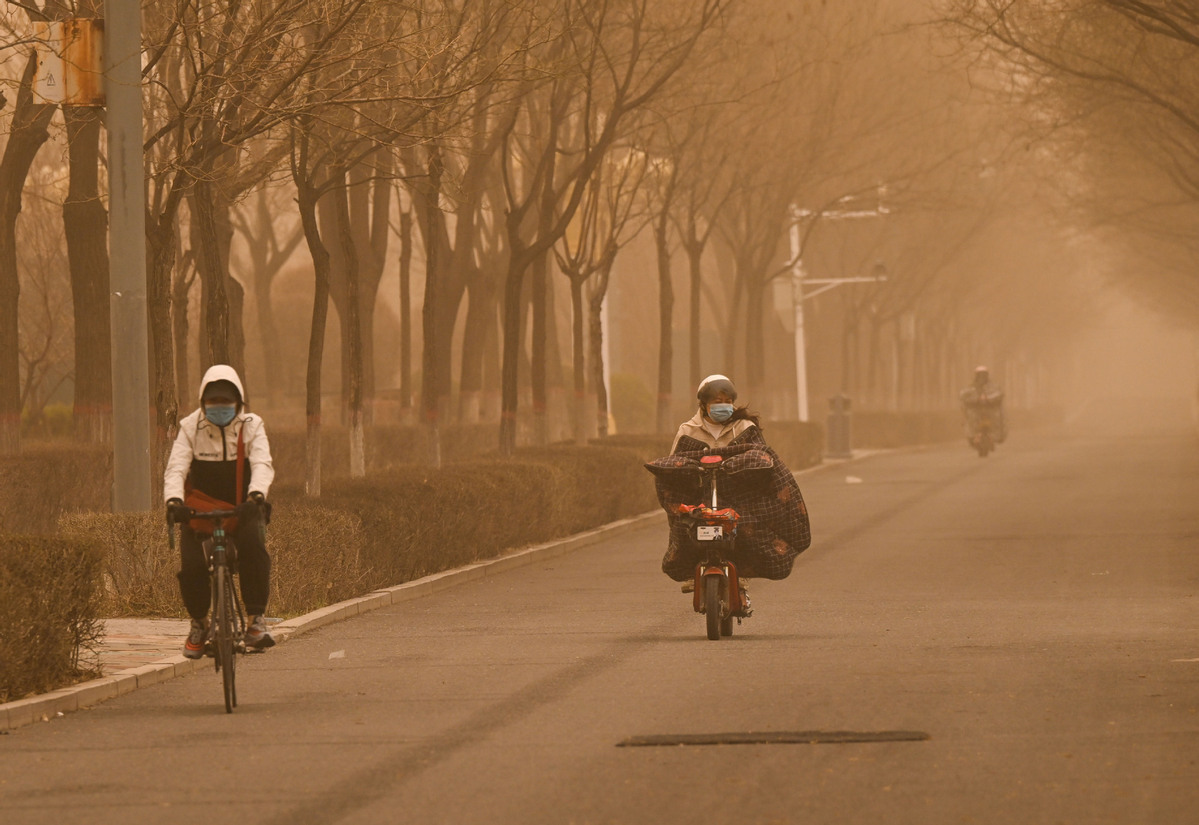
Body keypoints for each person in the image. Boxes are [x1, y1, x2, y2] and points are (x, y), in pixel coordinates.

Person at [653, 374, 811, 584]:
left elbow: (762, 458)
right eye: (718, 402)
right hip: (701, 492)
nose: (724, 406)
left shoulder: (744, 427)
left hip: (740, 494)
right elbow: (676, 464)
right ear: (704, 404)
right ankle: (693, 570)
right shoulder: (687, 430)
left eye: (728, 402)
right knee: (688, 526)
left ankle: (741, 570)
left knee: (748, 526)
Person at [164, 364, 276, 658]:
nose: (220, 408)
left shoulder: (252, 425)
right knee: (191, 567)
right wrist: (174, 501)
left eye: (226, 403)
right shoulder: (190, 427)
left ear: (239, 403)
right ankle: (199, 623)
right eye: (213, 403)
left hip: (242, 509)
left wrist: (257, 496)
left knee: (255, 549)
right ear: (203, 403)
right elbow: (176, 468)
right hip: (198, 512)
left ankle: (255, 622)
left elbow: (262, 464)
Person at [959, 365, 1007, 443]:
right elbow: (963, 394)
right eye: (980, 375)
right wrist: (973, 399)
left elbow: (999, 393)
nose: (982, 377)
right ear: (976, 376)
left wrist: (990, 399)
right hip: (976, 409)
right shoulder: (971, 387)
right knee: (969, 417)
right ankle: (971, 436)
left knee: (999, 416)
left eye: (984, 375)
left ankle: (998, 435)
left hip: (990, 409)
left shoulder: (993, 386)